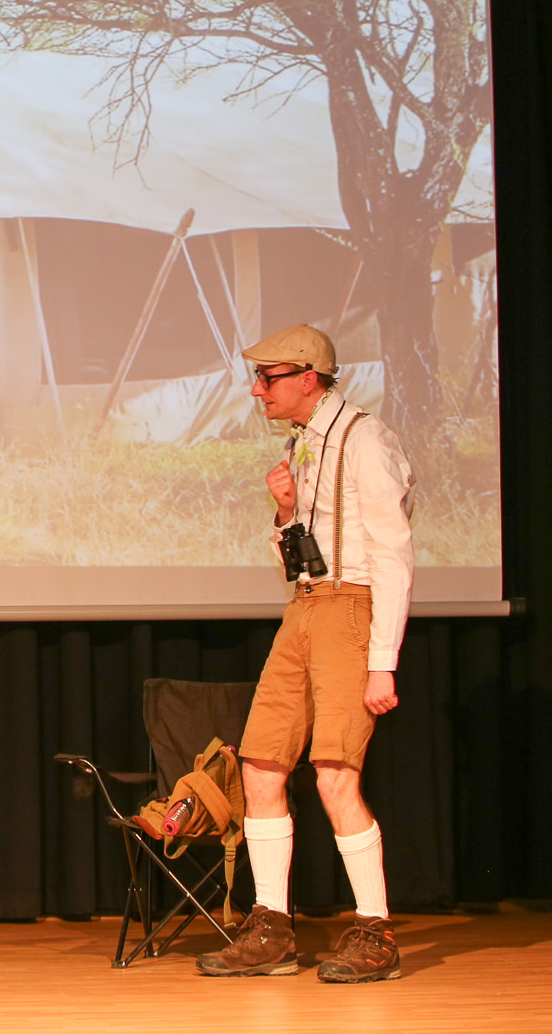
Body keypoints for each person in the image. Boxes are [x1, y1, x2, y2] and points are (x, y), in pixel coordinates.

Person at [197, 323, 415, 983]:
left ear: (308, 378)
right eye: (258, 378)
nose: (257, 390)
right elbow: (302, 559)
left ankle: (375, 931)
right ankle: (271, 928)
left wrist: (383, 660)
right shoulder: (303, 442)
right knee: (261, 763)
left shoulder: (364, 439)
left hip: (351, 609)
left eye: (268, 378)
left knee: (334, 774)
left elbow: (393, 553)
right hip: (305, 607)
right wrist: (287, 512)